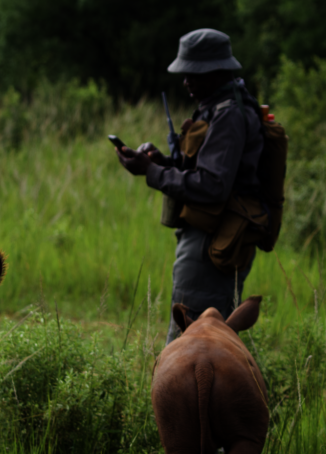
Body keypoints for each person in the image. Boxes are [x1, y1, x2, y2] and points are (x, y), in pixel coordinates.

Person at [116, 28, 266, 344]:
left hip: (211, 245)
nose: (186, 82)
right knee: (211, 341)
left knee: (189, 345)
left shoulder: (229, 116)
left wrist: (152, 172)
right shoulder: (222, 108)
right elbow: (212, 172)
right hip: (213, 239)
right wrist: (161, 163)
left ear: (217, 70)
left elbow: (212, 186)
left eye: (193, 73)